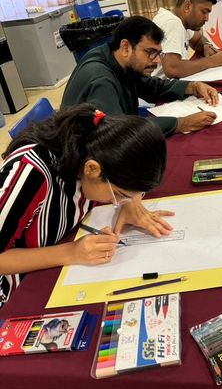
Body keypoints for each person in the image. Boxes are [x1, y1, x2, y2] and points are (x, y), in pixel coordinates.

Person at [0, 104, 173, 308]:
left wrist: (130, 202)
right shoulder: (31, 175)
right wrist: (71, 252)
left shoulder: (92, 148)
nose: (116, 202)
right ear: (92, 169)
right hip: (13, 289)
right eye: (118, 194)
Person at [61, 16, 218, 136]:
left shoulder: (117, 59)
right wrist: (181, 124)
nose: (157, 61)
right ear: (125, 47)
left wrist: (193, 86)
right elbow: (120, 133)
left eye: (158, 53)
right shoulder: (101, 79)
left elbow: (151, 86)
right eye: (150, 53)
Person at [152, 0, 222, 79]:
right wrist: (211, 61)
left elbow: (198, 39)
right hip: (159, 92)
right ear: (187, 7)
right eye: (204, 12)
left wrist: (206, 46)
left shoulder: (180, 22)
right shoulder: (172, 23)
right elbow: (172, 69)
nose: (207, 18)